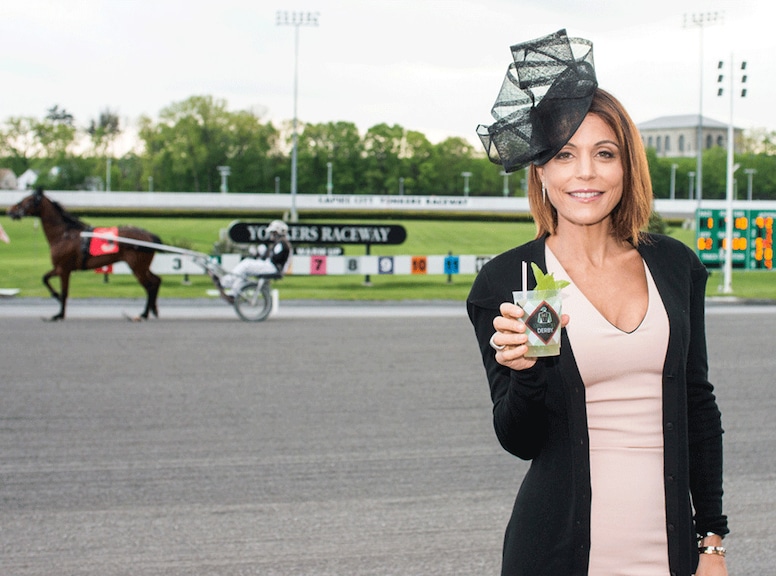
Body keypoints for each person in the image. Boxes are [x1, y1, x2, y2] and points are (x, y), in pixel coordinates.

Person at [467, 30, 728, 576]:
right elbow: (519, 439)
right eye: (564, 155)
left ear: (627, 166)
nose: (585, 172)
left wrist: (711, 542)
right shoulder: (505, 280)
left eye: (603, 154)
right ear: (541, 169)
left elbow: (698, 406)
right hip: (555, 554)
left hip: (671, 553)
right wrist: (528, 370)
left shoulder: (676, 267)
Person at [216, 220, 292, 299]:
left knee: (246, 264)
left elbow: (276, 258)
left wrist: (264, 254)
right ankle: (234, 293)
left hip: (273, 268)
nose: (271, 235)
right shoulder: (279, 243)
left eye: (273, 232)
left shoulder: (282, 244)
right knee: (245, 272)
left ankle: (225, 282)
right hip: (271, 266)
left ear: (277, 232)